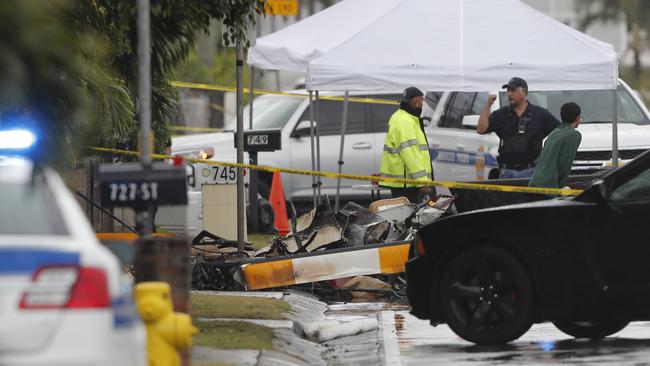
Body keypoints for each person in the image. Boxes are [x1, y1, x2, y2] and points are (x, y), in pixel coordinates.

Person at [477, 77, 560, 178]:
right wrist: (487, 106)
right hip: (506, 171)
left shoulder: (540, 114)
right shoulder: (501, 114)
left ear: (524, 91)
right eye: (508, 91)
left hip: (532, 171)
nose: (509, 94)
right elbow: (481, 129)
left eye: (513, 90)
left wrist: (548, 153)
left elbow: (560, 133)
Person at [379, 86, 434, 203]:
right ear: (415, 101)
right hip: (406, 183)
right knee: (409, 217)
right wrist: (422, 182)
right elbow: (410, 153)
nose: (422, 105)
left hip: (406, 182)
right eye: (421, 101)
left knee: (406, 217)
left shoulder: (403, 118)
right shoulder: (404, 121)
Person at [528, 102, 582, 189]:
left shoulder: (555, 132)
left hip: (535, 182)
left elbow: (539, 160)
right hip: (550, 186)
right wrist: (561, 186)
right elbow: (565, 163)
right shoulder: (573, 135)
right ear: (577, 118)